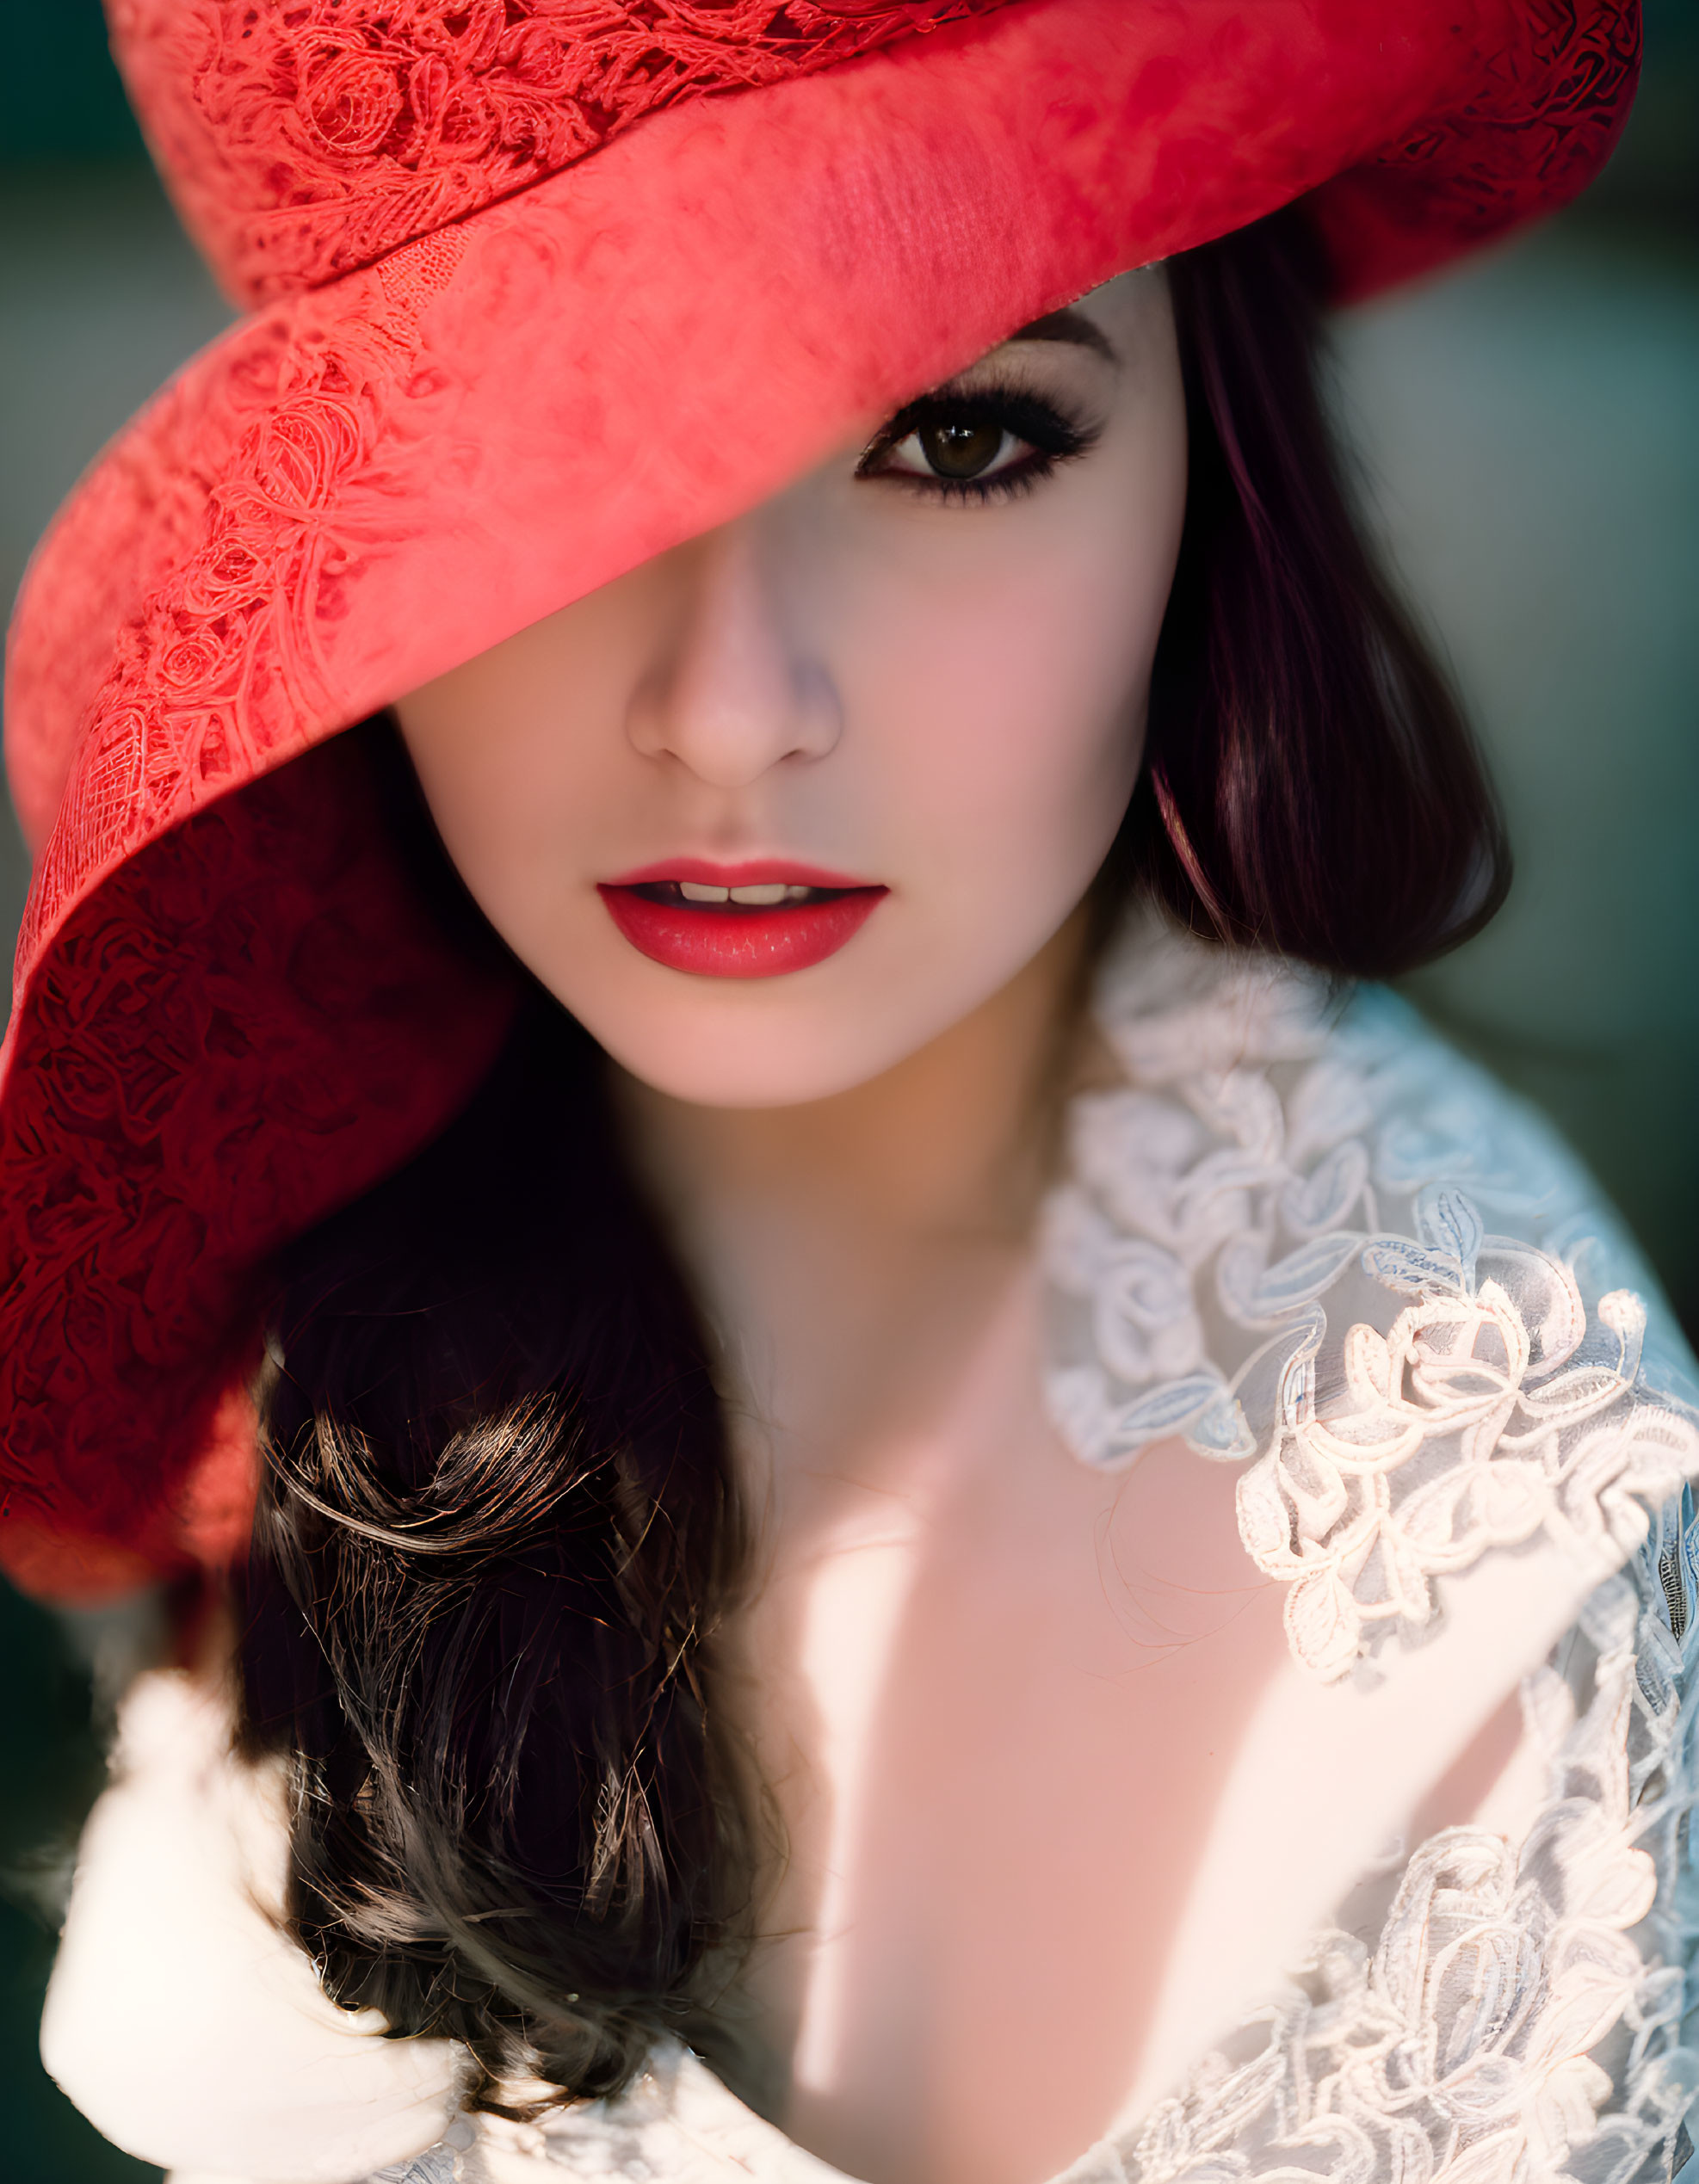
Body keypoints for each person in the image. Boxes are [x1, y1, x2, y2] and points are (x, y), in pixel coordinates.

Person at [3, 3, 1696, 2181]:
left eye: (967, 439)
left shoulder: (1495, 1536)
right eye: (558, 445)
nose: (731, 709)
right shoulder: (325, 1167)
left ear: (1220, 462)